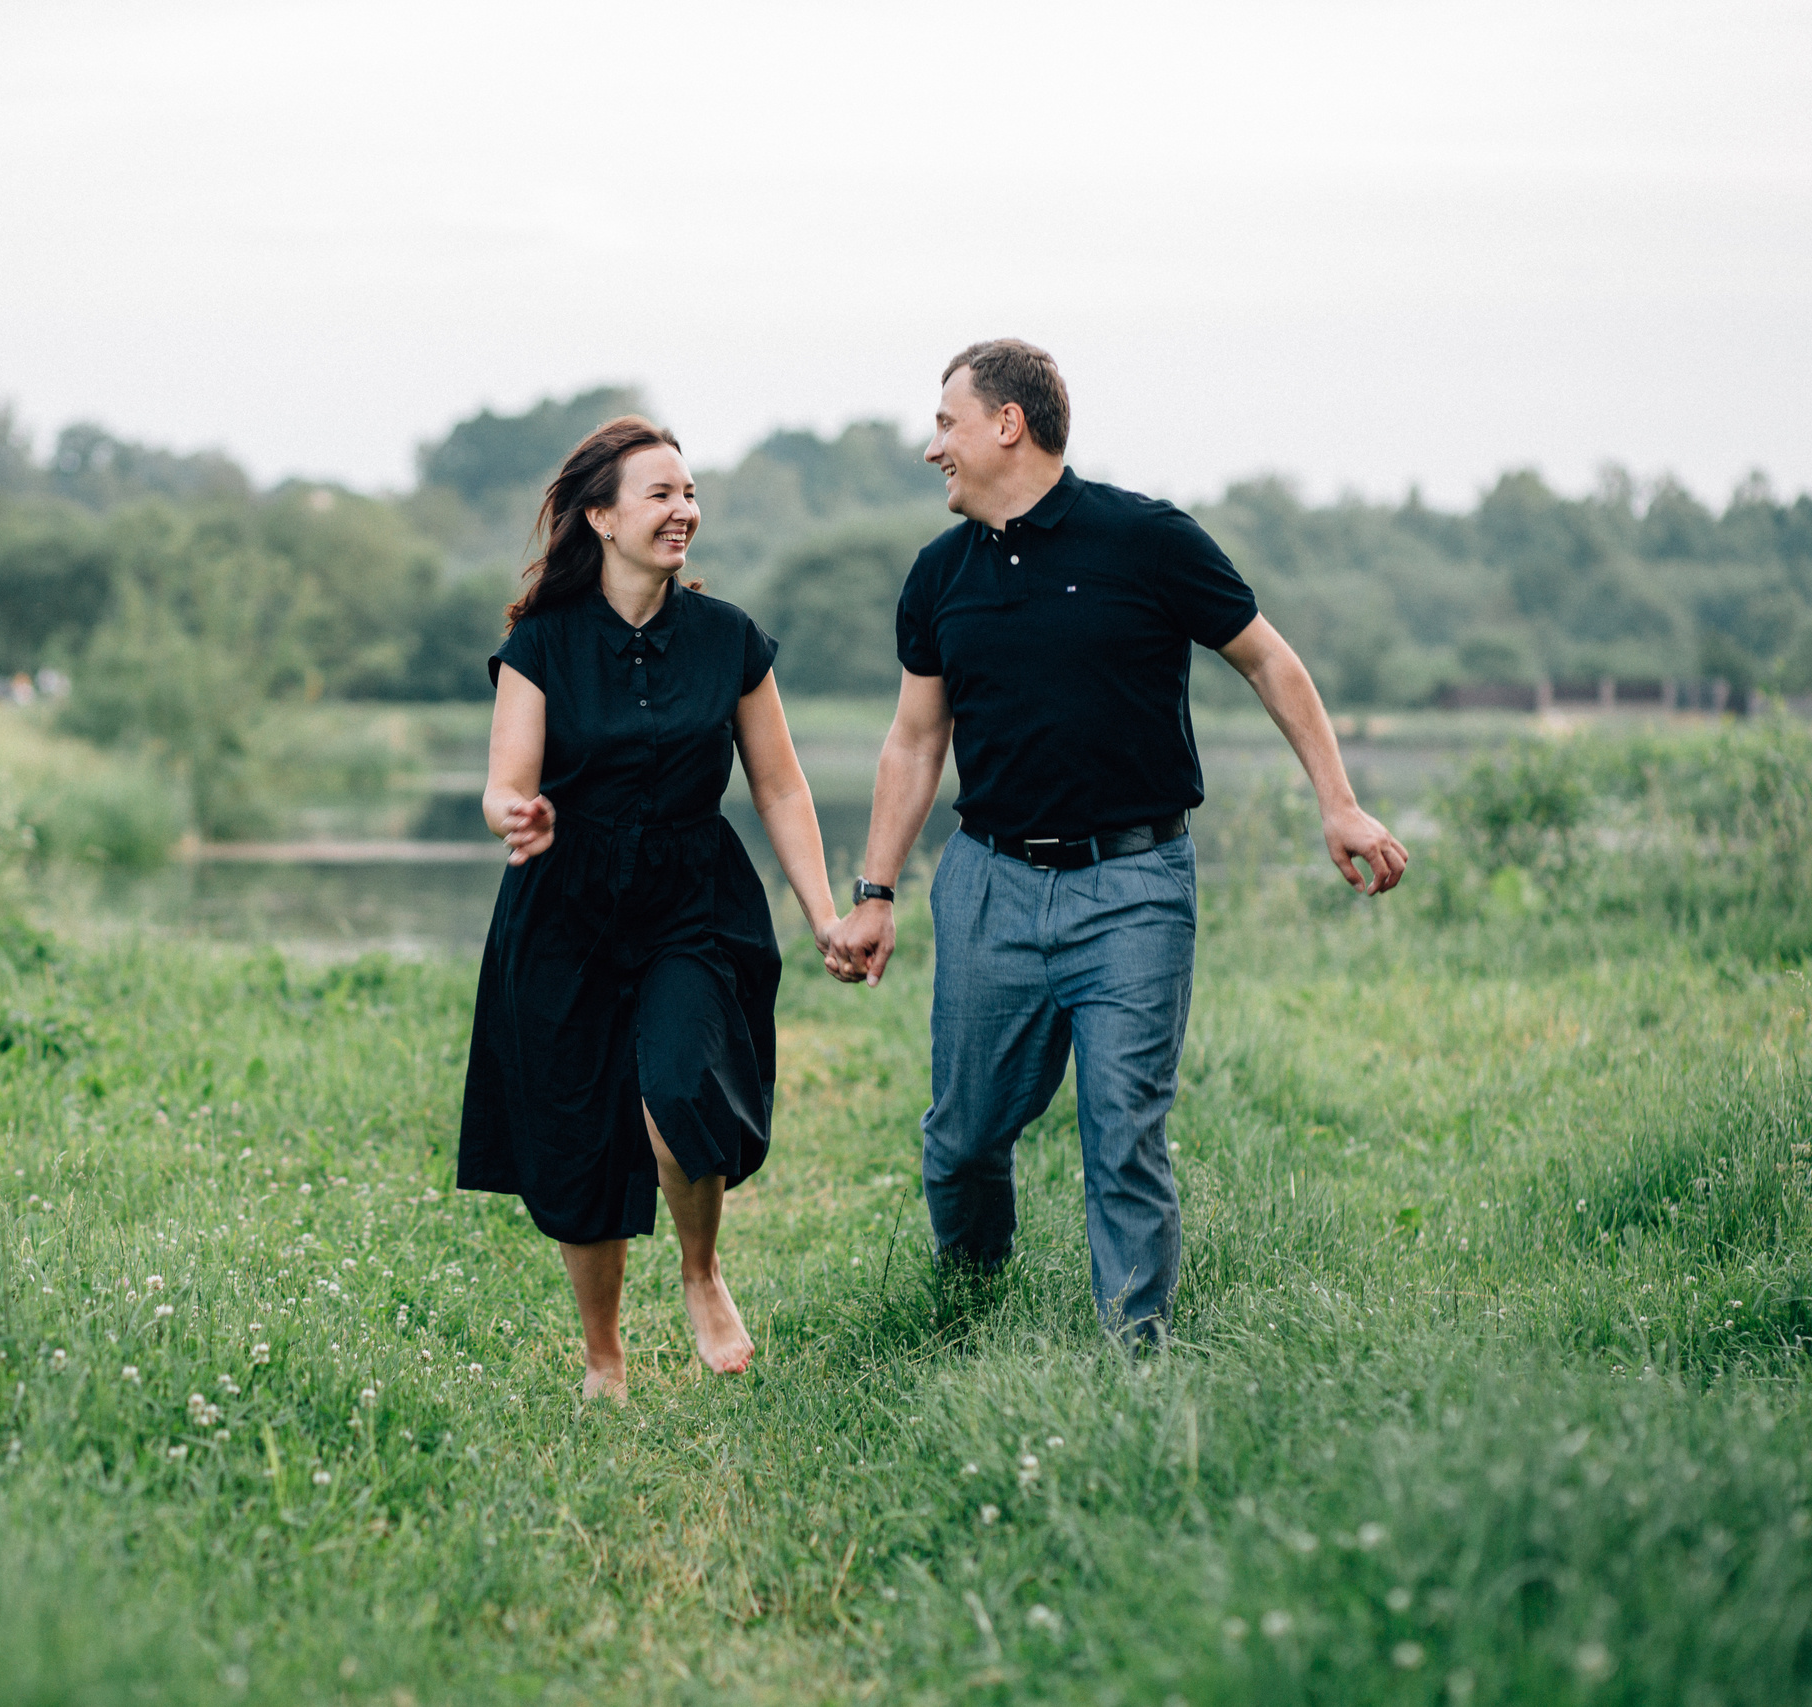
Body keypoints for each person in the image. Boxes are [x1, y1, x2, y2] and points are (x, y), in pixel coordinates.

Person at [820, 339, 1408, 1347]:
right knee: (962, 1142)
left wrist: (1339, 802)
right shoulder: (937, 575)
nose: (933, 449)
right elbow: (915, 742)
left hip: (1133, 884)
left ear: (1008, 423)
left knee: (1122, 1132)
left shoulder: (1147, 540)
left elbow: (1268, 662)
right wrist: (873, 890)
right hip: (988, 886)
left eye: (945, 423)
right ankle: (966, 1308)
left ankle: (1136, 1359)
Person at [459, 415, 845, 1400]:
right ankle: (603, 1358)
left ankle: (701, 1270)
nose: (684, 512)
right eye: (660, 495)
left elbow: (781, 788)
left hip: (691, 899)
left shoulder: (728, 641)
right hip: (563, 905)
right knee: (578, 1137)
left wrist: (822, 912)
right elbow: (505, 782)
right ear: (599, 516)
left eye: (689, 492)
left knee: (681, 1089)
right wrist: (520, 813)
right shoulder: (539, 643)